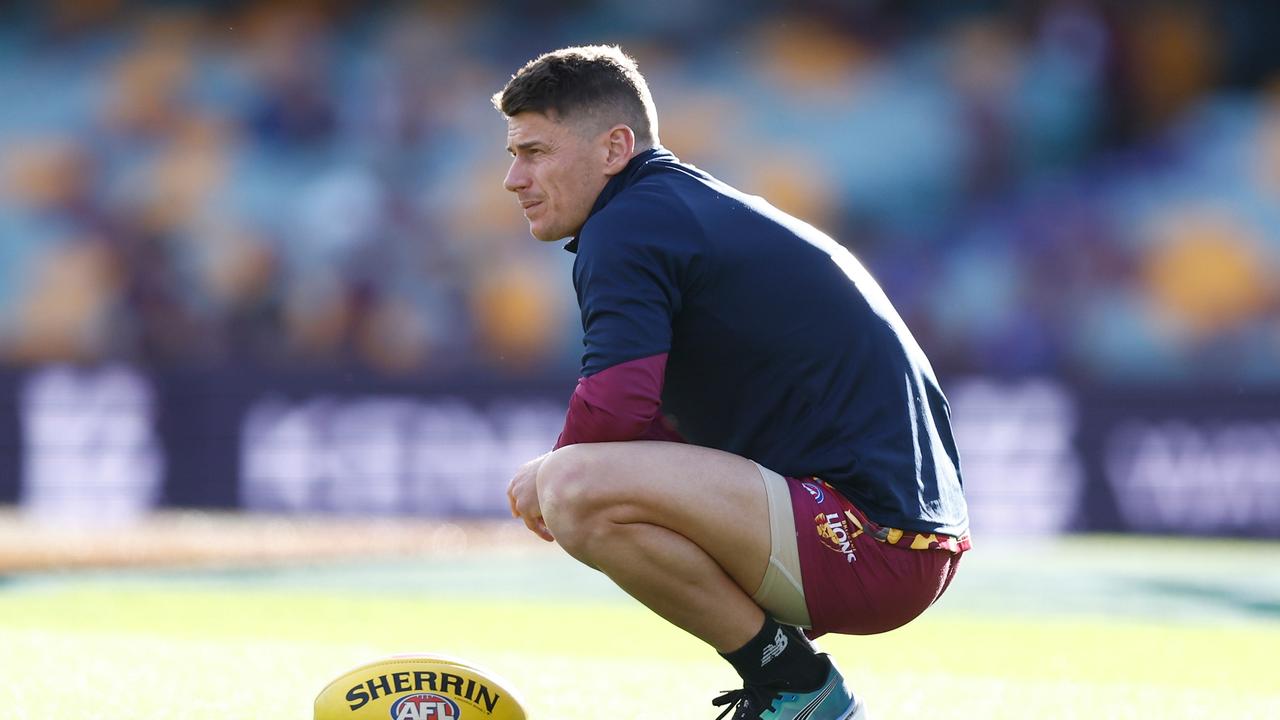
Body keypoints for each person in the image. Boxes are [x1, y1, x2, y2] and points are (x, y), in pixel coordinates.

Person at [495, 45, 969, 720]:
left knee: (571, 485)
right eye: (513, 154)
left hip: (871, 541)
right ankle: (791, 682)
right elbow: (660, 418)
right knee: (580, 478)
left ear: (614, 148)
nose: (513, 178)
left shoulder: (627, 224)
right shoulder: (682, 208)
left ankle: (794, 686)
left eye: (535, 151)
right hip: (904, 537)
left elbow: (619, 405)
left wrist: (547, 474)